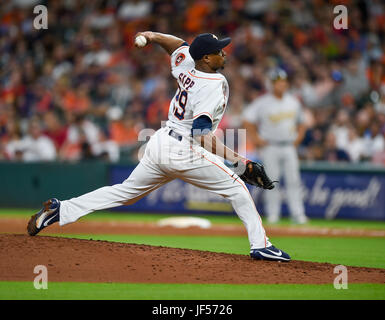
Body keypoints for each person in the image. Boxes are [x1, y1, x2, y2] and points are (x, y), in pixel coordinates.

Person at [27, 32, 291, 262]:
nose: (224, 52)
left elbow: (176, 45)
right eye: (218, 51)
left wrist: (152, 36)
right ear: (207, 59)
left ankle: (62, 210)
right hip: (184, 149)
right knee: (237, 187)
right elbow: (201, 133)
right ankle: (261, 246)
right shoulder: (212, 85)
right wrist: (238, 160)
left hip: (161, 142)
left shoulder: (187, 64)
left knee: (125, 193)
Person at [243, 68, 309, 225]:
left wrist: (298, 139)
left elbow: (302, 123)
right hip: (270, 146)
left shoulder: (293, 101)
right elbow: (247, 119)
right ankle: (273, 214)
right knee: (271, 181)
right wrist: (256, 138)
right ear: (272, 84)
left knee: (294, 180)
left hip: (288, 146)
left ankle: (298, 214)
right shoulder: (263, 102)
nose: (281, 85)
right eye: (278, 82)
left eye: (283, 82)